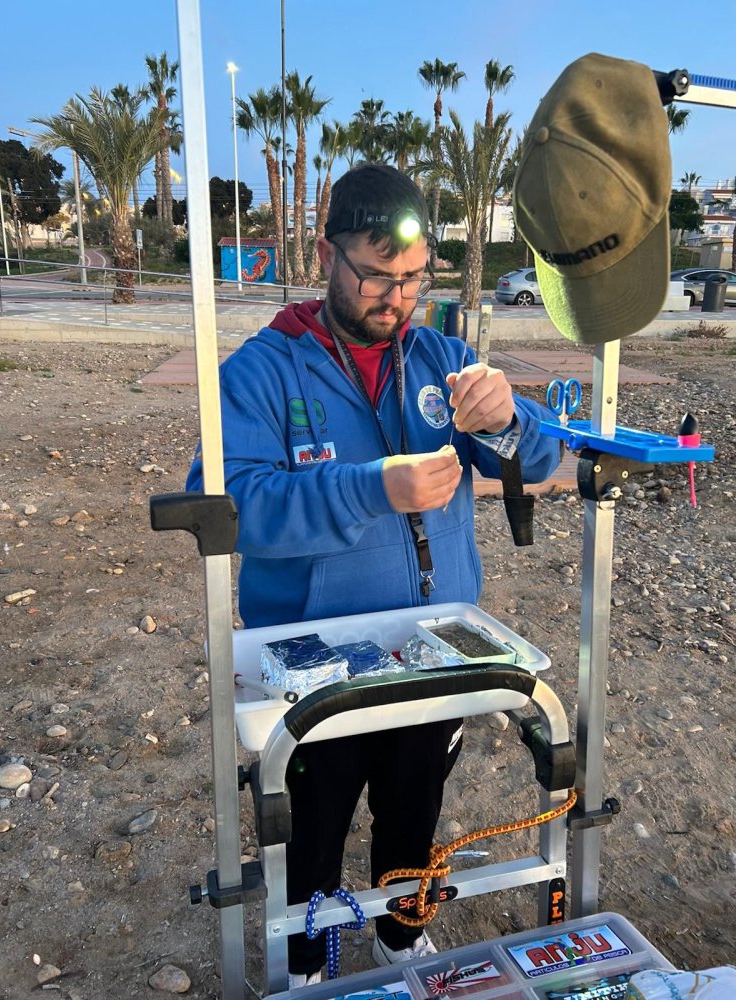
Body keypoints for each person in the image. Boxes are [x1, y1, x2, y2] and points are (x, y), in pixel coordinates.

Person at [186, 163, 561, 986]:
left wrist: (509, 416)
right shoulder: (264, 370)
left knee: (414, 812)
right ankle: (309, 957)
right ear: (328, 255)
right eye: (376, 276)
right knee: (313, 828)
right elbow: (220, 498)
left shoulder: (442, 357)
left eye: (413, 279)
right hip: (313, 666)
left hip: (433, 650)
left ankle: (399, 938)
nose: (397, 298)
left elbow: (538, 455)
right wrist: (371, 487)